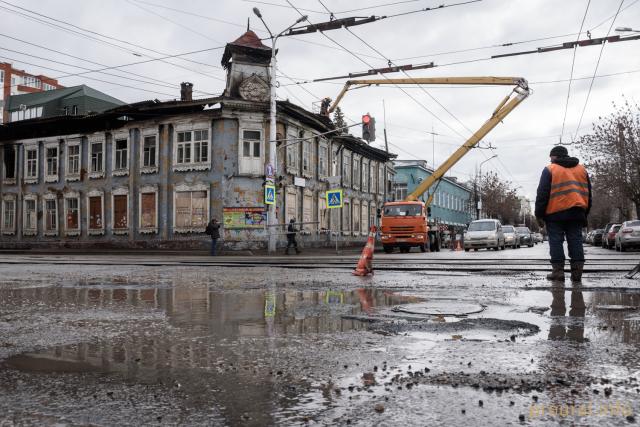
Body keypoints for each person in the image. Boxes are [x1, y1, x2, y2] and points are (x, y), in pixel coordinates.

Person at [535, 145, 591, 282]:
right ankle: (577, 273)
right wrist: (585, 213)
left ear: (555, 156)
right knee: (576, 240)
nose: (550, 160)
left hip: (555, 214)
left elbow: (542, 194)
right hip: (577, 212)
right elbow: (589, 194)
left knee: (555, 241)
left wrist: (539, 215)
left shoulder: (550, 169)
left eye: (551, 157)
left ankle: (558, 272)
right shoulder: (582, 170)